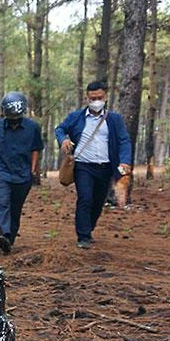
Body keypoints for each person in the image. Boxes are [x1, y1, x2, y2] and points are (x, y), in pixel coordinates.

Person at [55, 81, 132, 248]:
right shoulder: (76, 117)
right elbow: (60, 129)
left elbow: (124, 140)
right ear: (87, 98)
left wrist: (125, 160)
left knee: (98, 201)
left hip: (105, 167)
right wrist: (64, 139)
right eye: (93, 98)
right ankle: (83, 236)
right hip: (83, 166)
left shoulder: (114, 119)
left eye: (100, 98)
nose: (96, 101)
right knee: (85, 198)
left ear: (105, 97)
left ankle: (88, 228)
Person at [0, 91, 43, 254]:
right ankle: (5, 233)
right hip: (1, 173)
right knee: (3, 203)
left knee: (16, 208)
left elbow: (35, 150)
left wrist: (33, 170)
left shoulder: (33, 128)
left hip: (23, 175)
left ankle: (8, 241)